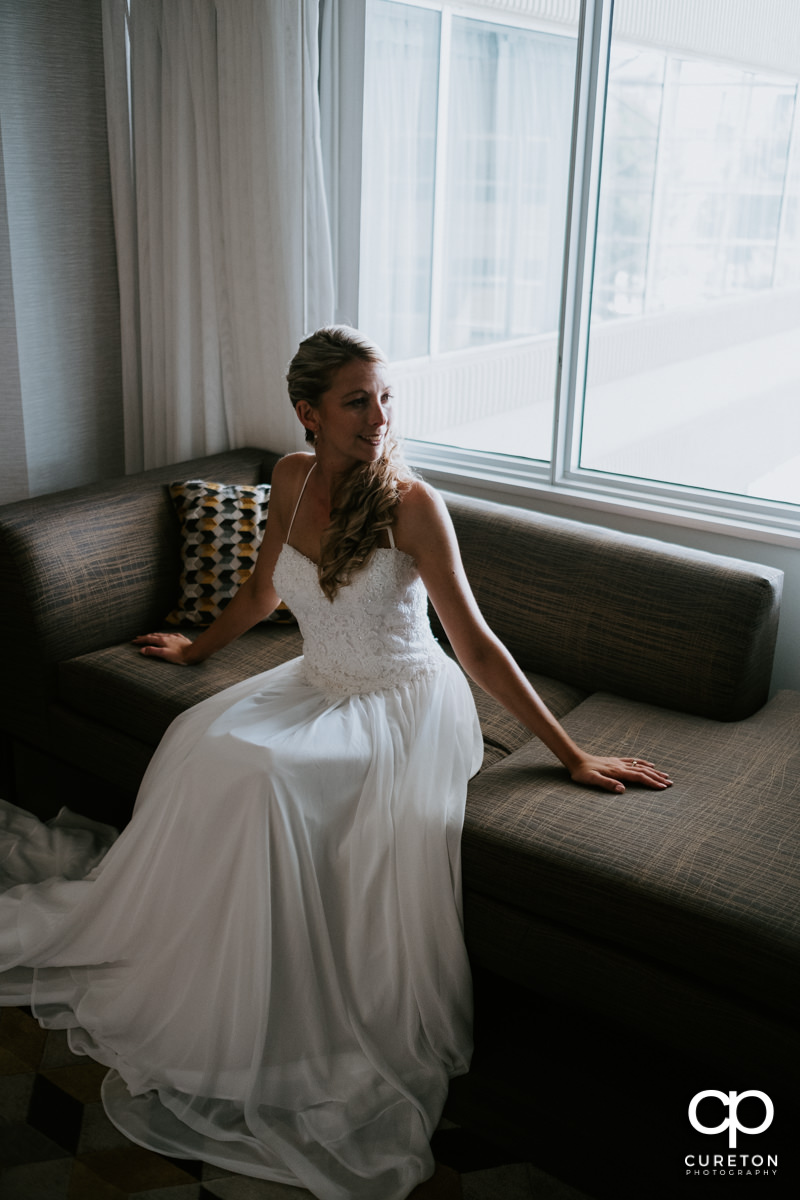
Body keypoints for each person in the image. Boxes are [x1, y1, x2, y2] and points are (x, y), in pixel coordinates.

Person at [0, 326, 671, 1200]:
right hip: (315, 680)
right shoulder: (289, 475)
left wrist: (572, 752)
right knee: (203, 743)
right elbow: (262, 590)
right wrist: (195, 652)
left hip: (400, 704)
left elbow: (476, 646)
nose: (379, 416)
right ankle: (199, 959)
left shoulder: (414, 505)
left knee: (265, 779)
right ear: (308, 413)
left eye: (385, 396)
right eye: (357, 400)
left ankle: (263, 1005)